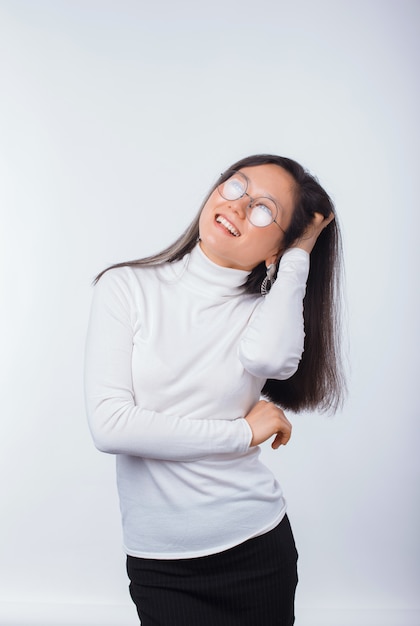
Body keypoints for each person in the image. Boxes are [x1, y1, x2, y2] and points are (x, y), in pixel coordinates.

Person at [84, 153, 345, 626]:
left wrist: (299, 256)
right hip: (160, 561)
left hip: (256, 547)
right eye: (235, 187)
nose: (241, 207)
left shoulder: (263, 314)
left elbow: (271, 360)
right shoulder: (125, 288)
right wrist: (239, 435)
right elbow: (111, 426)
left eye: (265, 210)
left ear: (276, 249)